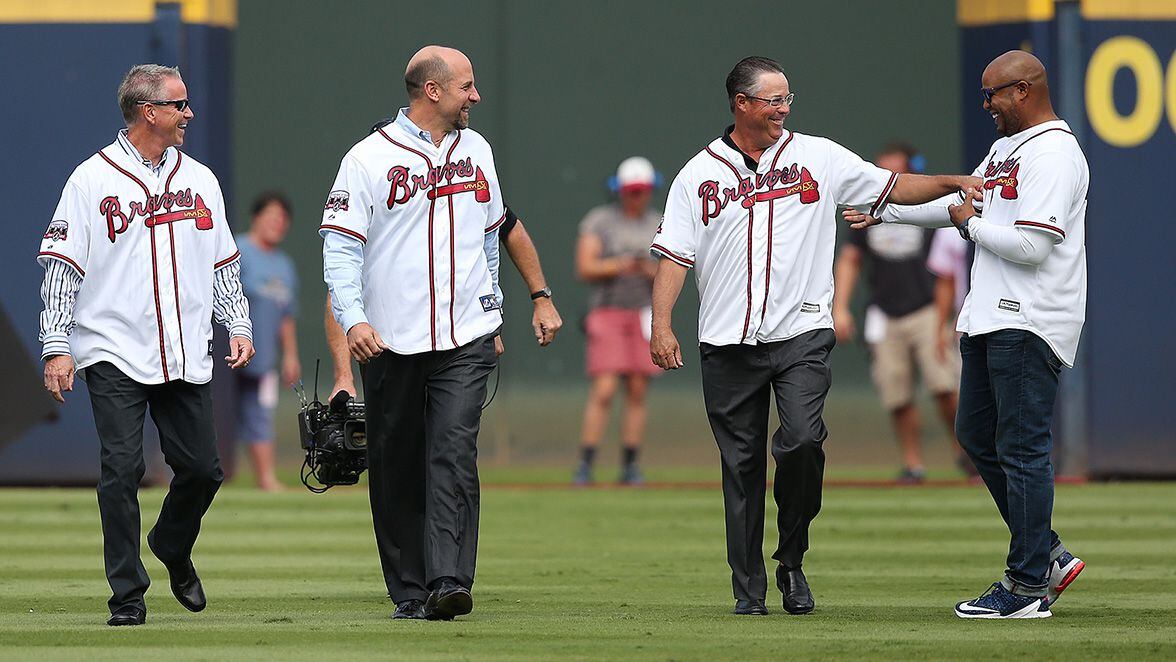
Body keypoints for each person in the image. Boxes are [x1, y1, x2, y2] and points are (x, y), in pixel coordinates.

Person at [649, 56, 979, 617]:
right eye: (772, 100)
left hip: (801, 331)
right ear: (741, 103)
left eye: (786, 99)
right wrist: (661, 324)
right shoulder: (697, 174)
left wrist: (952, 181)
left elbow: (893, 187)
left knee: (802, 442)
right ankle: (748, 590)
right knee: (742, 466)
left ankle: (791, 559)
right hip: (727, 341)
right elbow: (675, 255)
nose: (782, 109)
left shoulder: (817, 157)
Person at [843, 50, 1088, 619]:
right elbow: (961, 203)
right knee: (977, 437)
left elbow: (1031, 245)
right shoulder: (1008, 148)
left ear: (1023, 91)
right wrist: (887, 214)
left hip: (1030, 317)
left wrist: (970, 226)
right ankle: (1046, 552)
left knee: (1023, 448)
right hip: (990, 315)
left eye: (994, 94)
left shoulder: (1055, 152)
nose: (987, 105)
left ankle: (1027, 587)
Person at [321, 45, 542, 622]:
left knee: (453, 451)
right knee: (396, 462)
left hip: (465, 337)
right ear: (433, 91)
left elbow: (490, 232)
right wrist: (354, 320)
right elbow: (340, 250)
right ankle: (409, 590)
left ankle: (449, 579)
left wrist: (492, 306)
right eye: (467, 86)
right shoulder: (367, 158)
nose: (477, 96)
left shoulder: (479, 150)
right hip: (390, 338)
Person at [37, 64, 254, 626]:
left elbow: (223, 259)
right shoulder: (91, 178)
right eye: (179, 105)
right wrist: (56, 345)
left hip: (183, 346)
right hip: (112, 346)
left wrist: (238, 323)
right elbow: (62, 267)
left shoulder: (200, 179)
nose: (189, 113)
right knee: (122, 469)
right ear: (148, 111)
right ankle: (127, 595)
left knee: (204, 470)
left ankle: (172, 544)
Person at [832, 143, 968, 483]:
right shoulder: (866, 207)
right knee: (897, 394)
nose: (886, 177)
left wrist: (944, 321)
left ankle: (966, 454)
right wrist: (840, 308)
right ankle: (913, 464)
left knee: (945, 387)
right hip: (885, 312)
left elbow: (946, 270)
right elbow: (851, 258)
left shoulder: (929, 207)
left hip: (926, 310)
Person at [573, 156, 662, 486]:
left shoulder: (659, 222)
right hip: (608, 311)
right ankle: (586, 462)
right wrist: (621, 264)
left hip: (642, 312)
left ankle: (630, 464)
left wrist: (646, 268)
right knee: (605, 388)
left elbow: (670, 271)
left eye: (642, 191)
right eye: (631, 191)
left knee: (638, 388)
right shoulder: (600, 221)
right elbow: (585, 266)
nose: (637, 197)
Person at [235, 191, 300, 491]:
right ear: (256, 217)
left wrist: (290, 355)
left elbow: (286, 315)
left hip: (262, 358)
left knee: (260, 413)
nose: (277, 223)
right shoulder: (239, 250)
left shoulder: (284, 265)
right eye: (272, 215)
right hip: (225, 354)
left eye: (283, 219)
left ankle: (266, 478)